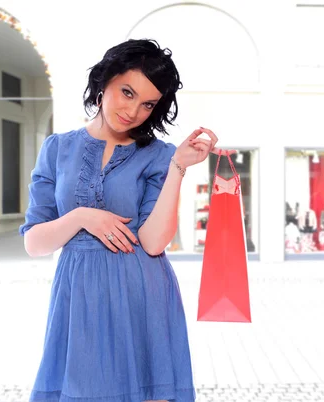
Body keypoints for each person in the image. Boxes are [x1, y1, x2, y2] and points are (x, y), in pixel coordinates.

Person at [19, 39, 231, 402]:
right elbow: (35, 244)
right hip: (78, 297)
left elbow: (152, 242)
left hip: (141, 293)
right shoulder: (57, 148)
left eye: (147, 103)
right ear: (104, 82)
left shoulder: (160, 155)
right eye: (127, 92)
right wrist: (83, 217)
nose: (133, 111)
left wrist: (178, 167)